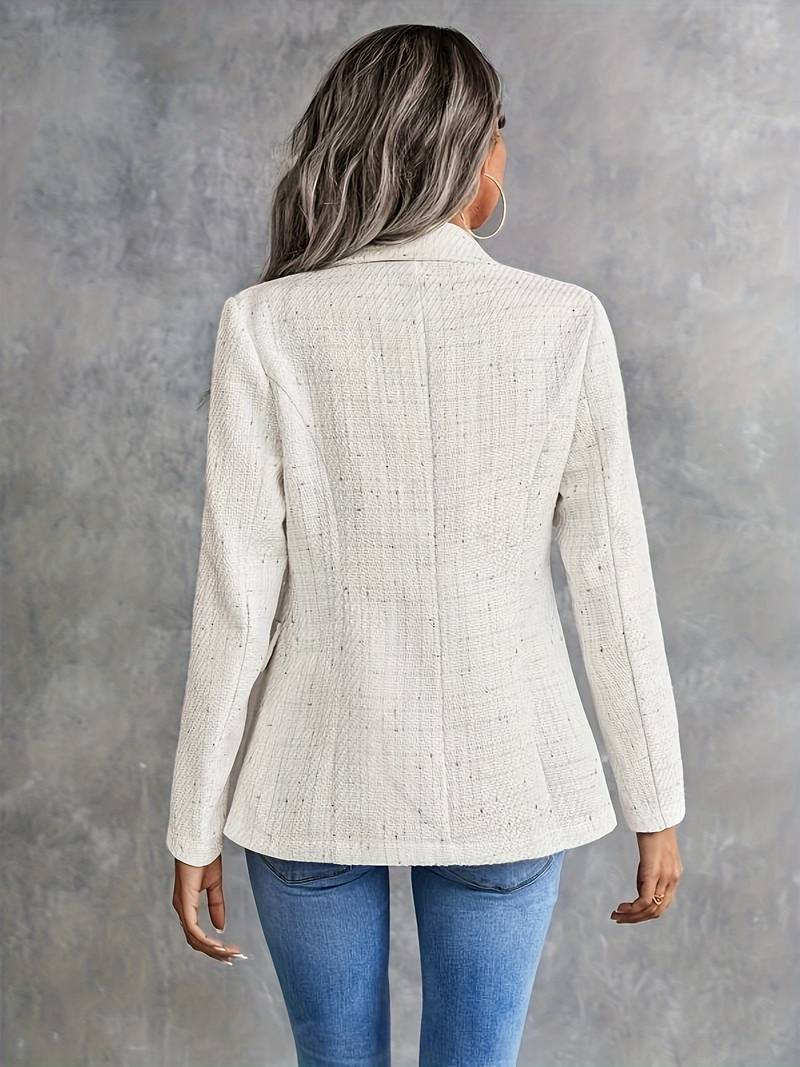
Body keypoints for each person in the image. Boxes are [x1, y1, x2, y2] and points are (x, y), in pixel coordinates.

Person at [166, 23, 685, 1067]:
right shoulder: (563, 323)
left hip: (309, 782)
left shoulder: (266, 322)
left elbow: (236, 601)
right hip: (506, 777)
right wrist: (655, 803)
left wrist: (193, 821)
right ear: (471, 150)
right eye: (501, 132)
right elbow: (611, 584)